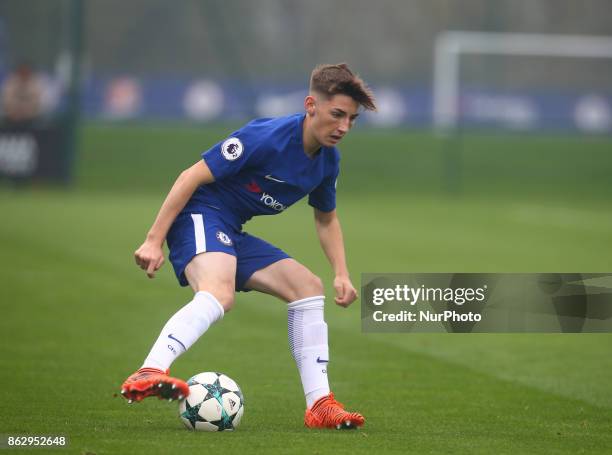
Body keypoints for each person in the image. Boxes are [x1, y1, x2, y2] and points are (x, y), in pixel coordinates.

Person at [120, 63, 376, 429]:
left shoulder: (327, 161)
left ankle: (319, 405)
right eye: (337, 115)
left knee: (307, 288)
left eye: (351, 119)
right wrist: (152, 240)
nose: (344, 127)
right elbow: (191, 175)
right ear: (311, 106)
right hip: (200, 213)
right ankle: (149, 371)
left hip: (231, 230)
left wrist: (341, 273)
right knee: (219, 293)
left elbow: (326, 218)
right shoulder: (267, 137)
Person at [1, 62, 43, 129]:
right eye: (21, 71)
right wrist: (16, 111)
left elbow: (36, 104)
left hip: (31, 119)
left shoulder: (35, 84)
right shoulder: (10, 83)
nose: (24, 74)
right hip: (12, 118)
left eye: (26, 71)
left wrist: (24, 112)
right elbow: (7, 102)